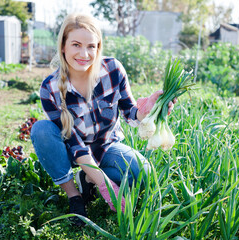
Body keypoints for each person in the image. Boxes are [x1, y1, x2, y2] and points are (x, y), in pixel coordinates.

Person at [30, 13, 176, 227]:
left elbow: (130, 112)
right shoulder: (50, 88)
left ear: (98, 47)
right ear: (63, 46)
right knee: (41, 130)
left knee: (142, 173)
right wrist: (106, 185)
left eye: (91, 46)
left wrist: (147, 110)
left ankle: (86, 181)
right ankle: (74, 196)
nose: (84, 53)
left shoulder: (113, 70)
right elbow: (74, 144)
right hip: (69, 151)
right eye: (76, 45)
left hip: (106, 146)